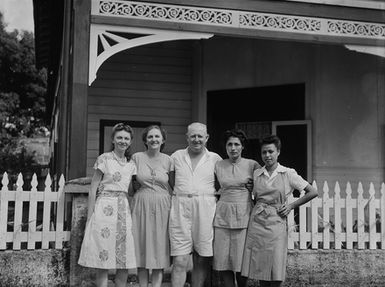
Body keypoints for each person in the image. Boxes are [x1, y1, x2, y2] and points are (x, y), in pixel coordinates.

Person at [241, 135, 318, 287]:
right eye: (264, 152)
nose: (267, 156)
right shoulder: (257, 174)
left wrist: (291, 206)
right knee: (261, 265)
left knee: (275, 263)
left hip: (276, 221)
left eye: (271, 151)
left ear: (278, 152)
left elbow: (312, 192)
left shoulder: (287, 173)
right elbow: (256, 198)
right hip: (257, 222)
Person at [78, 123, 137, 287]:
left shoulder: (131, 164)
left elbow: (130, 190)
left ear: (130, 141)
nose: (122, 141)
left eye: (126, 138)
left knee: (123, 258)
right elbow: (93, 187)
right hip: (104, 208)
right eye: (119, 137)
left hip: (124, 209)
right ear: (113, 139)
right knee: (102, 256)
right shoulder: (104, 159)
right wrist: (91, 215)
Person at [169, 122, 222, 287]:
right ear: (187, 137)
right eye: (193, 136)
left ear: (207, 138)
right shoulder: (176, 156)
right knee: (179, 259)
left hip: (205, 209)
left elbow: (221, 184)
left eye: (200, 136)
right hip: (180, 207)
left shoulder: (215, 159)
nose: (196, 139)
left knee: (201, 258)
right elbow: (171, 180)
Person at [213, 129, 260, 287]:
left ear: (242, 146)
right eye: (229, 145)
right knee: (223, 258)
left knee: (240, 259)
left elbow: (261, 187)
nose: (233, 148)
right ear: (225, 147)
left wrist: (253, 188)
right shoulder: (218, 165)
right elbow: (212, 186)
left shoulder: (252, 165)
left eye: (236, 144)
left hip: (243, 212)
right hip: (223, 213)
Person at [131, 125, 174, 287]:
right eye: (150, 137)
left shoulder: (169, 160)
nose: (154, 139)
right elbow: (131, 184)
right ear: (145, 140)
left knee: (159, 247)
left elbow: (174, 186)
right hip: (141, 204)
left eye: (157, 136)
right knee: (142, 246)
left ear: (162, 140)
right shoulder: (137, 157)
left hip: (163, 206)